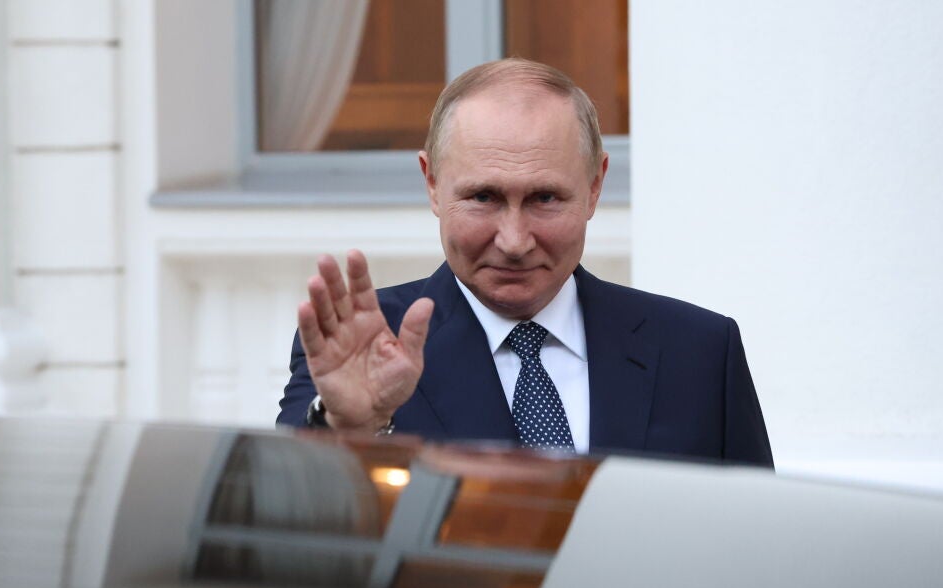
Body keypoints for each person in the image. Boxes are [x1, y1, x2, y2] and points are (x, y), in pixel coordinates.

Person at [277, 59, 773, 468]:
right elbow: (288, 527)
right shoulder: (363, 346)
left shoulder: (700, 353)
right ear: (432, 184)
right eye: (484, 197)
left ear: (595, 186)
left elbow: (752, 542)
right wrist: (348, 428)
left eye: (545, 198)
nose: (514, 241)